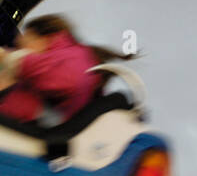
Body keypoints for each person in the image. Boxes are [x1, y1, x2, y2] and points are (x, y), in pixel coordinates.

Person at [0, 14, 134, 127]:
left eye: (24, 42)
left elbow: (67, 79)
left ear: (45, 38)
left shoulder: (75, 57)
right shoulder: (67, 59)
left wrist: (11, 58)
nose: (19, 48)